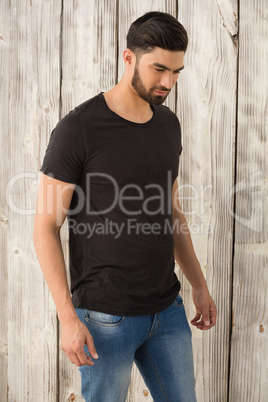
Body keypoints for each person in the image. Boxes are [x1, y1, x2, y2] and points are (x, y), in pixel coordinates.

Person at [33, 11, 217, 402]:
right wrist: (68, 318)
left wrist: (199, 286)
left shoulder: (168, 126)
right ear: (128, 57)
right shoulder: (78, 129)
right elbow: (45, 225)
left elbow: (172, 213)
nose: (168, 82)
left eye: (177, 72)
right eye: (159, 69)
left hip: (167, 311)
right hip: (104, 318)